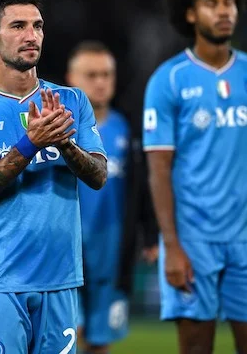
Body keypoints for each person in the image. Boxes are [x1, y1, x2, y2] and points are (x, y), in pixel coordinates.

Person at [142, 0, 247, 354]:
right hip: (192, 240)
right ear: (190, 13)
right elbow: (159, 169)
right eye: (212, 3)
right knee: (196, 348)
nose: (224, 11)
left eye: (229, 2)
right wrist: (171, 245)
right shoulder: (168, 80)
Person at [0, 0, 108, 354]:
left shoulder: (72, 101)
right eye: (18, 26)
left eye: (37, 26)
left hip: (60, 278)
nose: (31, 35)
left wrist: (65, 144)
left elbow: (98, 175)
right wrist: (30, 143)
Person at [65, 41, 158, 354]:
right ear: (71, 79)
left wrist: (151, 235)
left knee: (99, 340)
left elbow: (143, 187)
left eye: (106, 74)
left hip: (113, 252)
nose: (101, 82)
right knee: (65, 335)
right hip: (65, 249)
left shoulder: (129, 130)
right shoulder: (55, 130)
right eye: (91, 75)